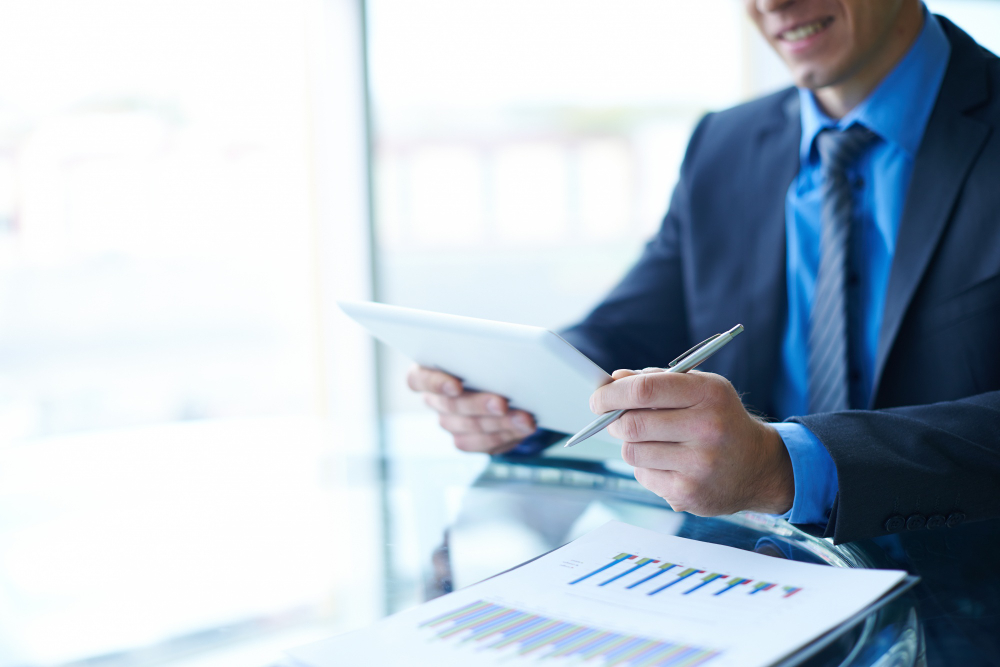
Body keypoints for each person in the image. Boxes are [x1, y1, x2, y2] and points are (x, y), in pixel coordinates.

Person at [409, 0, 1000, 660]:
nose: (772, 4)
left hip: (971, 606)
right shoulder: (725, 143)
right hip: (748, 593)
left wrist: (789, 464)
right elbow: (630, 325)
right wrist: (508, 390)